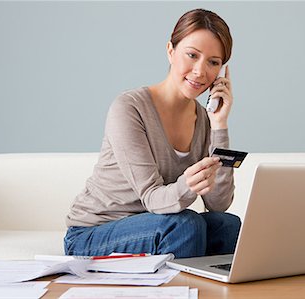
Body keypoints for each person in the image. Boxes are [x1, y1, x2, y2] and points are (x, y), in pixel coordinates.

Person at [64, 8, 241, 259]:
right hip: (93, 234)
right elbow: (152, 198)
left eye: (213, 62)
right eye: (192, 55)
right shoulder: (129, 107)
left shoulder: (204, 120)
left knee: (228, 225)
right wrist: (187, 186)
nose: (201, 71)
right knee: (184, 225)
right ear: (170, 50)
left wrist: (220, 125)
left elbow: (218, 204)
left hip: (159, 226)